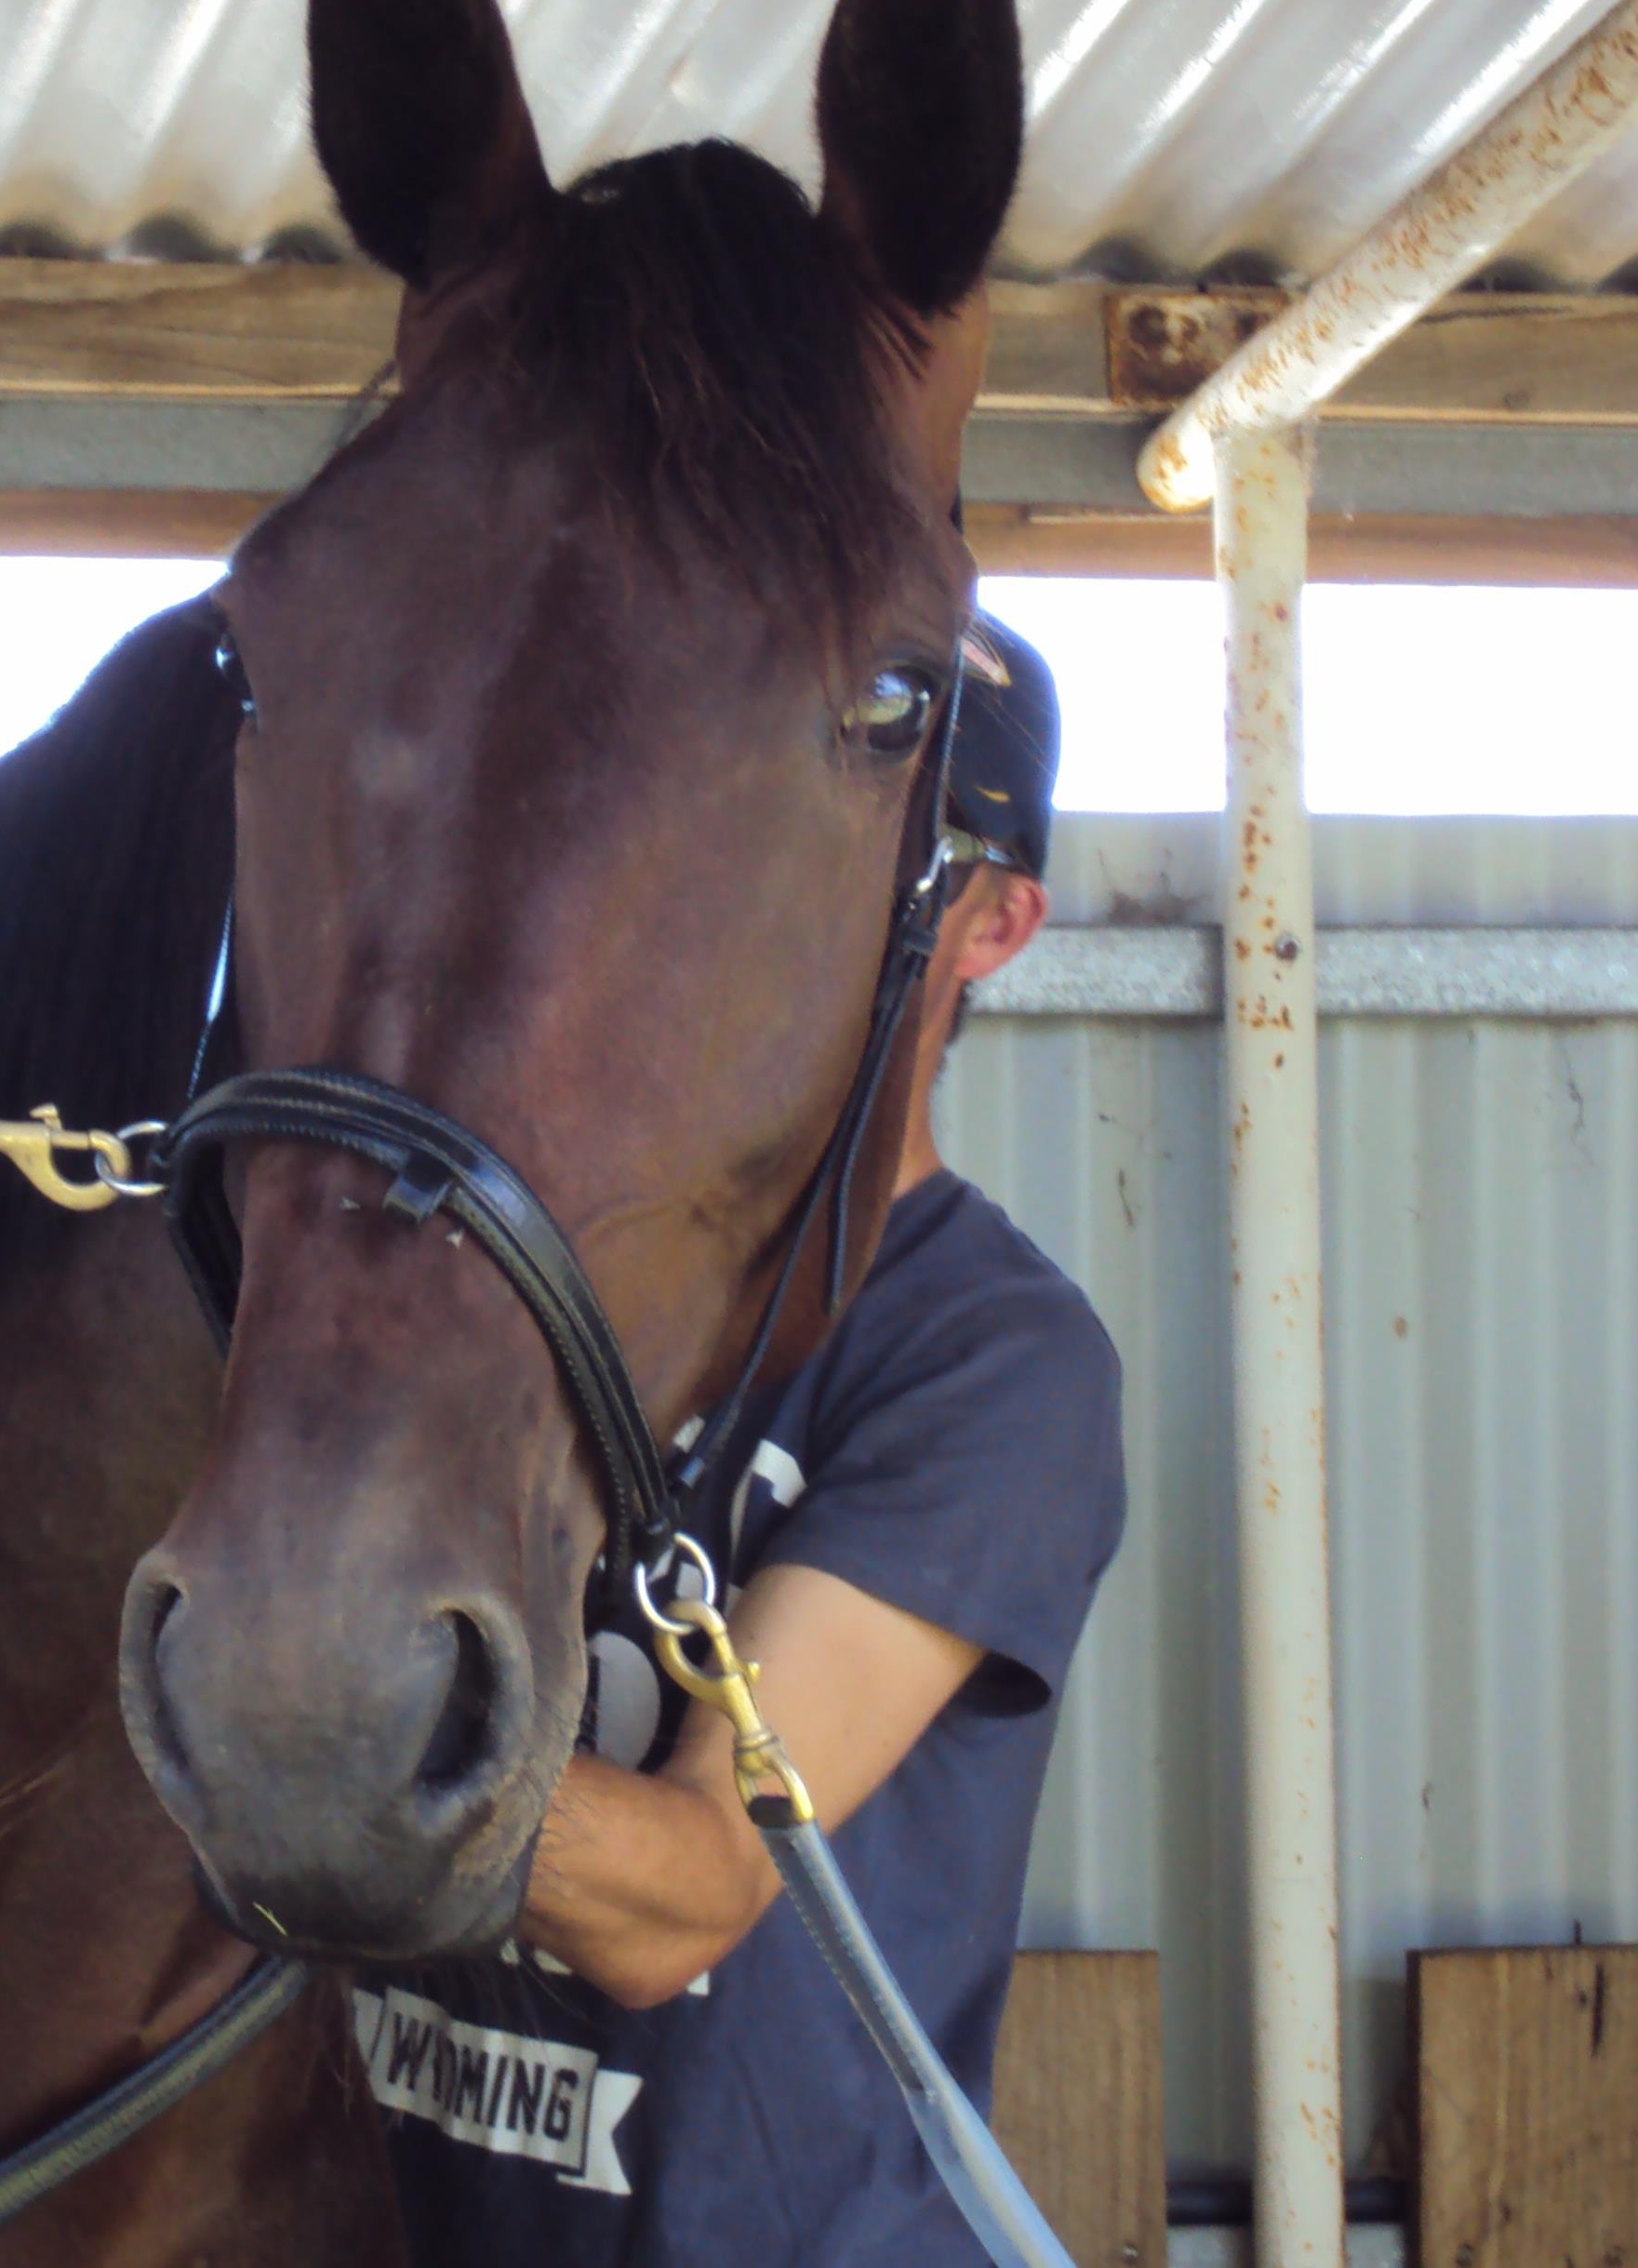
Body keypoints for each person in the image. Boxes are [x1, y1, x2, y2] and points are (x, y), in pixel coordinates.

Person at [360, 610, 1127, 2267]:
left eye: (866, 859)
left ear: (996, 922)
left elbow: (692, 1889)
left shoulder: (994, 1363)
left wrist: (332, 1744)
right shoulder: (510, 1285)